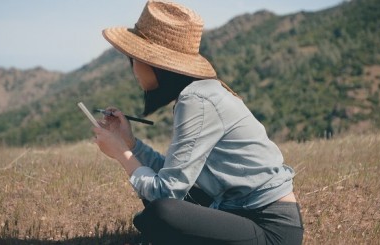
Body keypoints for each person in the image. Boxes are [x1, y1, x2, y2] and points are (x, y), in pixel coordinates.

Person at [92, 1, 304, 244]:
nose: (133, 68)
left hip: (271, 230)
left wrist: (121, 153)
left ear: (155, 64)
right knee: (155, 212)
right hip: (239, 209)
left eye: (134, 58)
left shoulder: (196, 99)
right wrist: (130, 143)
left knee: (161, 213)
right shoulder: (197, 94)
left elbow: (165, 192)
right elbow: (172, 177)